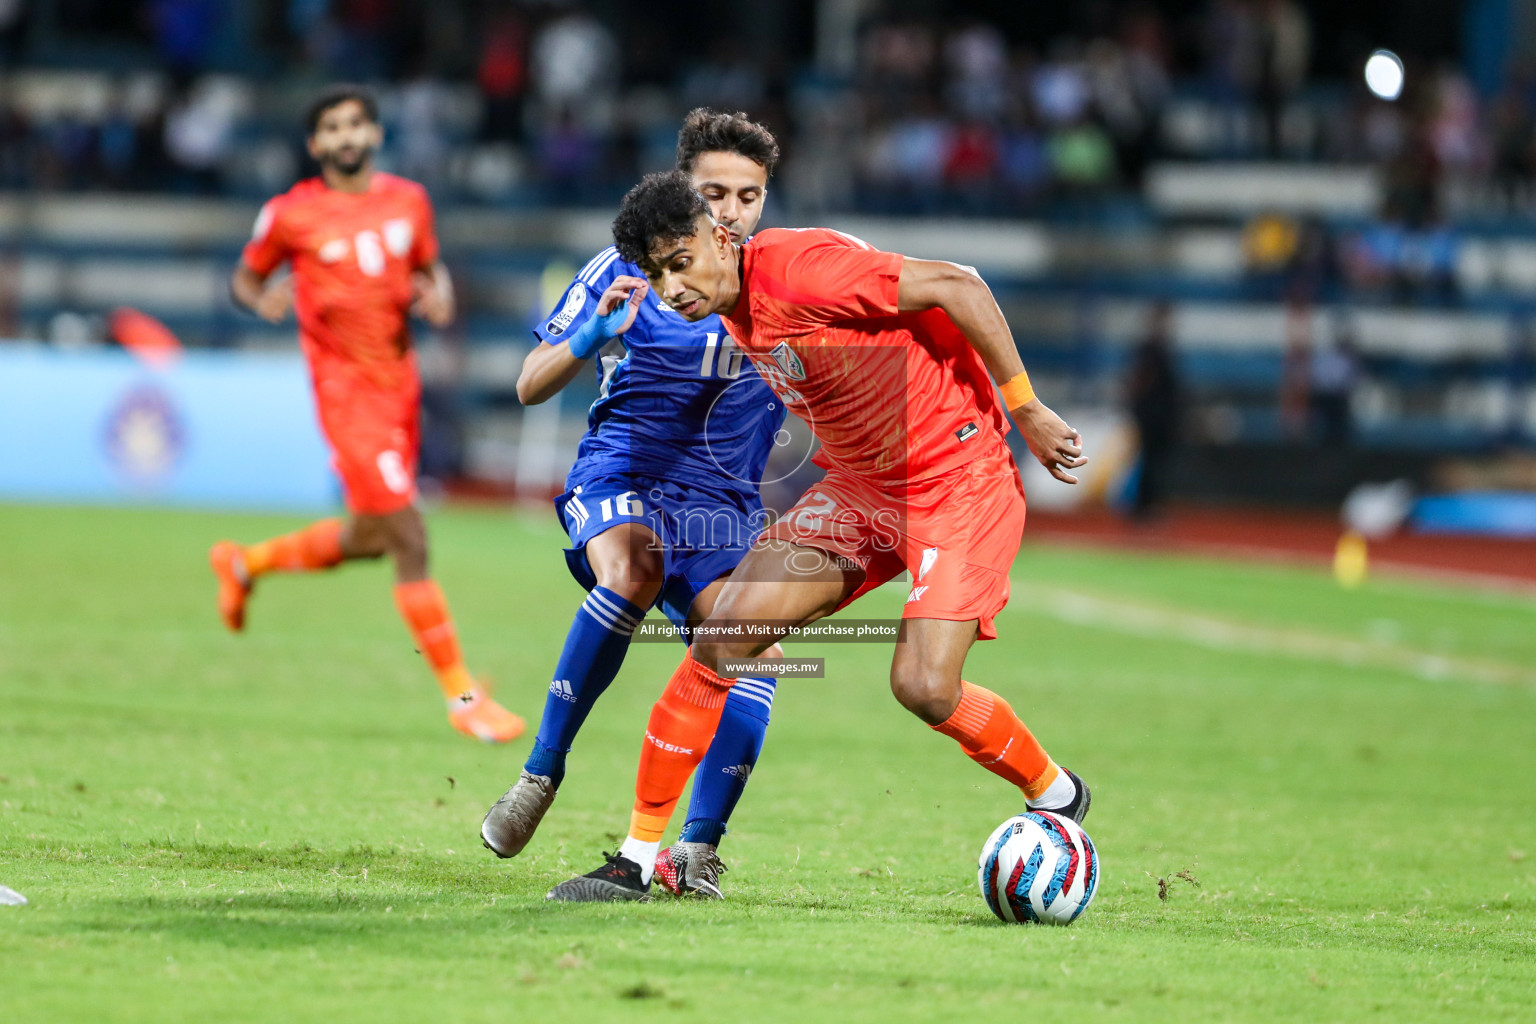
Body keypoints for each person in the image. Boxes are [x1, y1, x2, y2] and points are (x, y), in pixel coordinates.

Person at [545, 171, 1092, 902]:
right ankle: (637, 860)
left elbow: (958, 285)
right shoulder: (729, 308)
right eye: (655, 274)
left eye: (679, 263)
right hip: (864, 489)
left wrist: (1023, 407)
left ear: (721, 238)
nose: (671, 288)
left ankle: (1055, 793)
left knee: (924, 687)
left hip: (957, 480)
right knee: (728, 633)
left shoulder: (800, 269)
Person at [479, 111, 786, 898]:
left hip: (722, 509)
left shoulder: (785, 284)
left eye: (747, 196)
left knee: (752, 648)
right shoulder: (627, 268)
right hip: (625, 477)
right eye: (712, 191)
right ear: (682, 188)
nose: (730, 211)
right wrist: (587, 340)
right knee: (635, 570)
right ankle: (540, 777)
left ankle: (695, 850)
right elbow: (527, 383)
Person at [209, 85, 523, 744]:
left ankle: (243, 563)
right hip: (346, 397)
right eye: (333, 127)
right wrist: (261, 297)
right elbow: (243, 277)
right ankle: (463, 698)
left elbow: (430, 272)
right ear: (316, 144)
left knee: (367, 539)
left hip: (399, 390)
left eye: (357, 123)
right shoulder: (291, 213)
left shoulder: (409, 201)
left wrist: (435, 295)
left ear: (375, 134)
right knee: (410, 539)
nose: (347, 135)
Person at [1126, 301, 1180, 520]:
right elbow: (1139, 382)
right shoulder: (1150, 350)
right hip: (1151, 416)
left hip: (1159, 416)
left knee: (1154, 462)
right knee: (1150, 462)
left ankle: (1146, 505)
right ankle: (1142, 508)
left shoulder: (1161, 349)